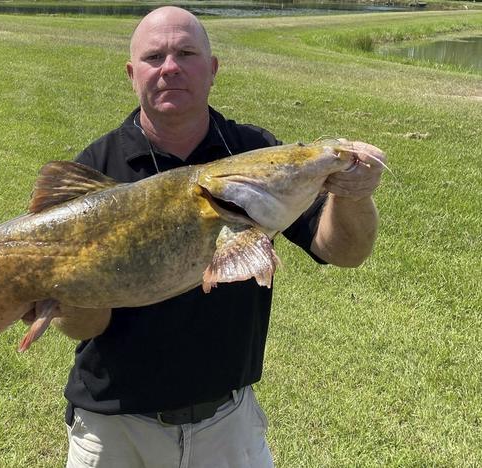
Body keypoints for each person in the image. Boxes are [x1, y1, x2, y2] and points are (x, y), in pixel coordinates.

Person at [46, 6, 385, 467]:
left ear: (212, 69)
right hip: (115, 427)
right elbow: (84, 328)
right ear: (132, 74)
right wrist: (70, 284)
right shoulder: (96, 172)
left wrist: (353, 194)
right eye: (154, 57)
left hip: (229, 422)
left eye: (186, 53)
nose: (170, 67)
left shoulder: (253, 153)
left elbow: (342, 251)